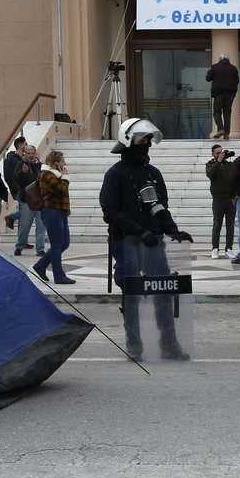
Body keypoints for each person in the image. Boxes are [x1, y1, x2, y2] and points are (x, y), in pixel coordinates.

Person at [100, 118, 193, 360]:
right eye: (142, 141)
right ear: (128, 142)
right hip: (126, 244)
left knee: (163, 294)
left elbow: (159, 207)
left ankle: (169, 345)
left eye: (148, 141)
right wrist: (138, 231)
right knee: (132, 296)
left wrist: (172, 231)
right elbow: (109, 211)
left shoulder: (152, 173)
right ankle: (135, 345)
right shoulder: (115, 174)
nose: (147, 145)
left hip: (154, 244)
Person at [32, 150, 75, 285]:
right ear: (55, 163)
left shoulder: (56, 175)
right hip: (51, 212)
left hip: (61, 212)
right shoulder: (46, 175)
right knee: (56, 245)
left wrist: (62, 177)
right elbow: (60, 190)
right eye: (62, 160)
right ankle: (59, 276)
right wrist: (65, 177)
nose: (65, 163)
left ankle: (40, 265)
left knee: (64, 243)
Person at [13, 144, 46, 257]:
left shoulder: (41, 166)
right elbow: (16, 179)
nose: (31, 155)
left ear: (35, 153)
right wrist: (23, 172)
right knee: (25, 225)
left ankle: (40, 249)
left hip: (40, 200)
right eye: (28, 153)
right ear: (25, 154)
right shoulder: (20, 165)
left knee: (41, 225)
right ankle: (19, 246)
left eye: (32, 153)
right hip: (27, 200)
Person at [205, 143, 236, 259]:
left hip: (230, 199)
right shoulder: (210, 164)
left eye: (221, 152)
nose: (220, 155)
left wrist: (235, 195)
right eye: (217, 153)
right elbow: (211, 174)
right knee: (217, 225)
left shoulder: (229, 165)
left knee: (230, 225)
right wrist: (218, 161)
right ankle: (215, 248)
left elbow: (235, 179)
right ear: (212, 154)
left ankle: (229, 249)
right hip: (218, 199)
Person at [206, 54, 239, 139]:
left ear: (220, 59)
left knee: (217, 112)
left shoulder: (216, 67)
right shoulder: (233, 68)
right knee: (227, 113)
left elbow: (208, 78)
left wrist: (210, 71)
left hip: (218, 93)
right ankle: (227, 134)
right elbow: (237, 81)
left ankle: (220, 129)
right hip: (230, 94)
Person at [1, 136, 26, 231]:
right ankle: (10, 217)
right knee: (28, 210)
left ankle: (22, 241)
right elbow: (8, 177)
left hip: (25, 190)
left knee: (25, 215)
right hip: (18, 191)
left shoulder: (23, 159)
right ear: (20, 146)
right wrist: (16, 190)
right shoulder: (10, 160)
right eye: (25, 144)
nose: (27, 146)